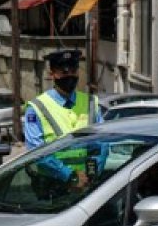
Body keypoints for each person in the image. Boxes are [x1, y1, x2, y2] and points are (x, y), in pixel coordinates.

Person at [24, 49, 102, 190]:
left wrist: (91, 174)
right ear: (52, 74)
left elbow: (101, 144)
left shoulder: (91, 103)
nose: (70, 76)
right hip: (53, 188)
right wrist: (69, 176)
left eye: (73, 71)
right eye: (64, 72)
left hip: (88, 187)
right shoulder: (37, 108)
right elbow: (37, 152)